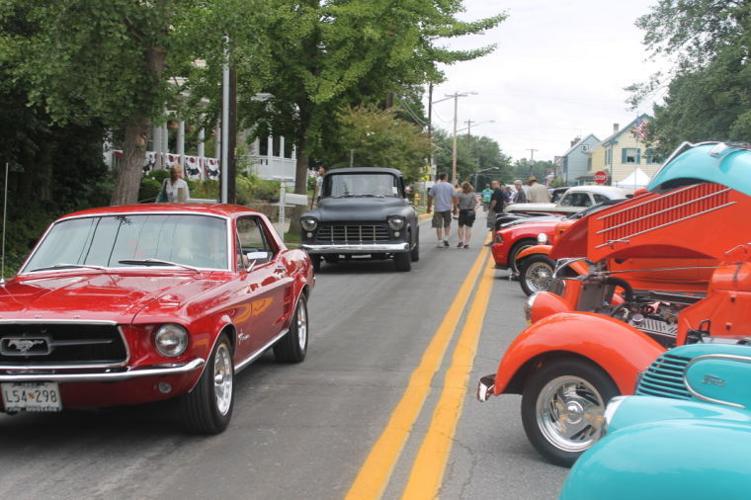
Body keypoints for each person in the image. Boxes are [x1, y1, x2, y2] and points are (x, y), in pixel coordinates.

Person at [427, 172, 454, 247]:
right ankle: (446, 238)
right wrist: (455, 208)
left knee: (438, 225)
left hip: (438, 209)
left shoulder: (435, 186)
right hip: (447, 208)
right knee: (447, 224)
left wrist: (428, 207)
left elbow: (430, 197)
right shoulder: (450, 186)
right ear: (445, 177)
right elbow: (454, 197)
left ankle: (439, 241)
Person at [453, 181, 476, 248]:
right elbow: (477, 202)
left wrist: (457, 209)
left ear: (462, 187)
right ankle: (467, 243)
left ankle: (460, 241)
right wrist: (474, 208)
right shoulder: (473, 194)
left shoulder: (459, 194)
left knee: (460, 227)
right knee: (468, 228)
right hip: (471, 212)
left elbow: (456, 203)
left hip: (462, 212)